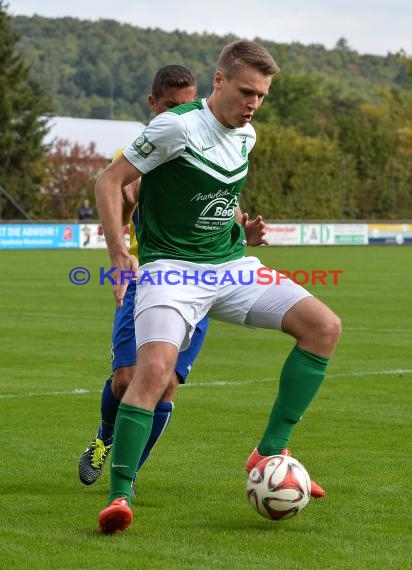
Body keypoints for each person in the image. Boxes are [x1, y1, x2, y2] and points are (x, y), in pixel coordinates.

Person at [94, 40, 341, 534]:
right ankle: (120, 496)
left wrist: (237, 233)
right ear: (220, 81)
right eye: (247, 91)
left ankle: (270, 449)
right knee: (154, 372)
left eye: (262, 96)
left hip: (229, 266)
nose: (253, 103)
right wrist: (120, 253)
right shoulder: (176, 125)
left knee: (324, 327)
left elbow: (212, 198)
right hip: (170, 272)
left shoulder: (247, 136)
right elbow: (107, 180)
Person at [79, 64, 267, 491]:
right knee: (127, 378)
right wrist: (121, 242)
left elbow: (216, 205)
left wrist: (242, 228)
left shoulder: (208, 136)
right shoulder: (141, 152)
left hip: (201, 279)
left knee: (165, 387)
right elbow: (117, 204)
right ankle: (105, 440)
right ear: (153, 105)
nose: (176, 114)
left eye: (184, 106)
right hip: (151, 279)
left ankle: (129, 470)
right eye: (168, 107)